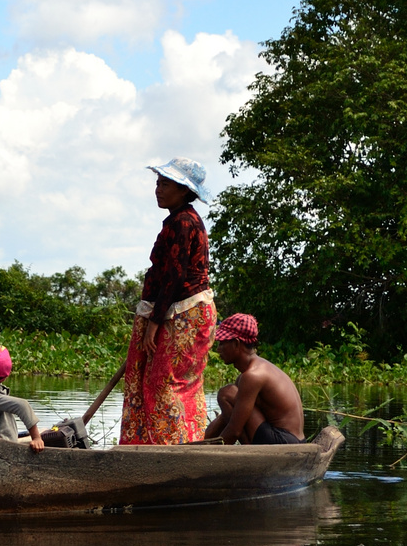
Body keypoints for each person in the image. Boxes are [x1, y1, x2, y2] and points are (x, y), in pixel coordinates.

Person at [120, 158, 216, 445]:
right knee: (163, 382)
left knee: (163, 385)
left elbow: (173, 277)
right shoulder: (179, 220)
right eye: (158, 183)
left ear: (184, 191)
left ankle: (172, 449)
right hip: (183, 312)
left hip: (183, 313)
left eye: (165, 184)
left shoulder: (183, 222)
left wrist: (153, 323)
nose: (158, 190)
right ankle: (166, 444)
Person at [204, 313, 305, 444]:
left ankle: (249, 450)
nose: (218, 349)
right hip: (292, 439)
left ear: (236, 343)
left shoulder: (253, 375)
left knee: (226, 393)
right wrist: (202, 441)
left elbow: (234, 431)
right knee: (231, 398)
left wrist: (211, 453)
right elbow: (227, 418)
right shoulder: (253, 371)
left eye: (222, 343)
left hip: (284, 442)